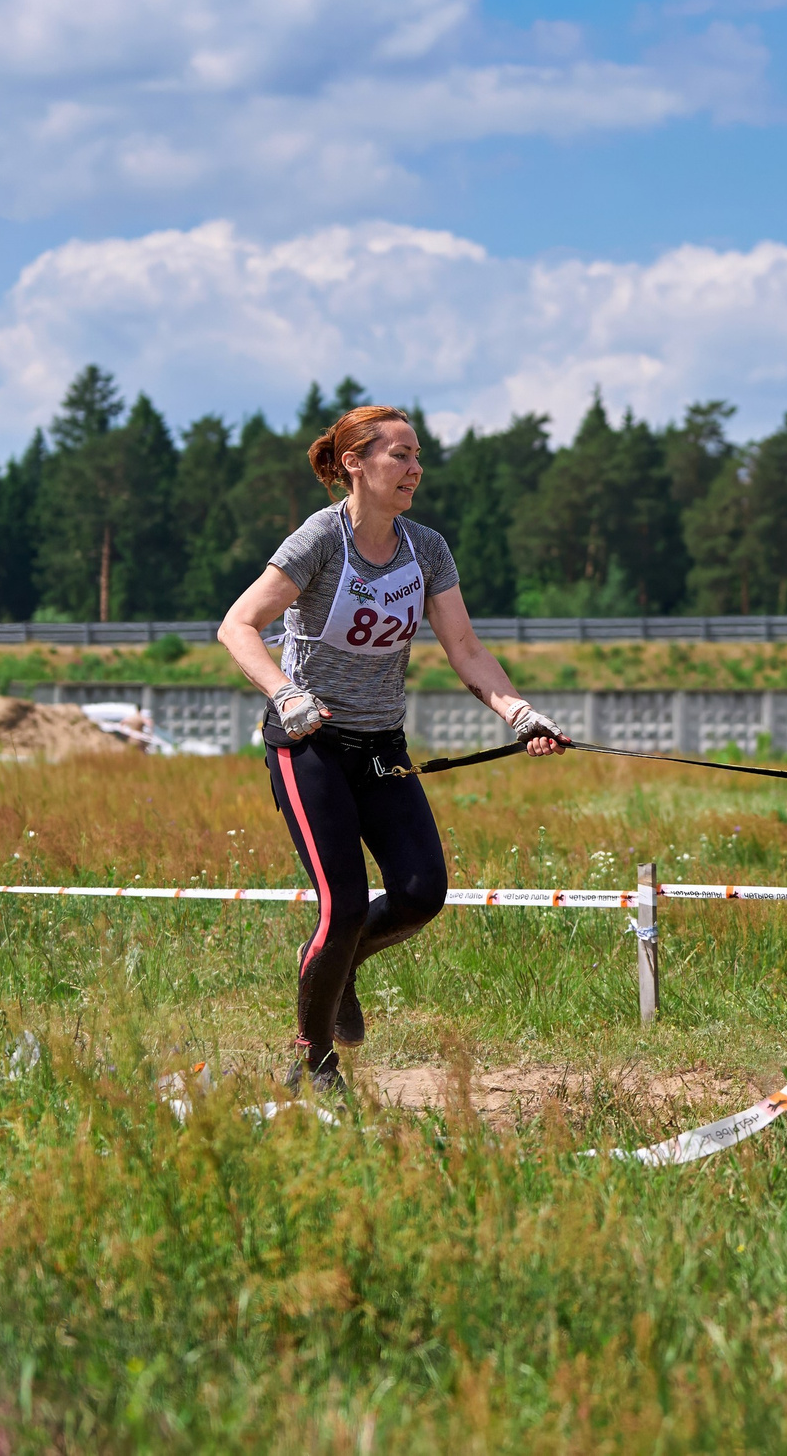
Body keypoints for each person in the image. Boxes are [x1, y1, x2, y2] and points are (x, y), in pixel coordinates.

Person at [218, 405, 567, 1092]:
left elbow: (464, 646)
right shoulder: (321, 539)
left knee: (420, 892)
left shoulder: (426, 549)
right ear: (355, 463)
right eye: (400, 455)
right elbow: (237, 625)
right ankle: (312, 1061)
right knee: (342, 905)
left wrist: (518, 711)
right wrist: (285, 691)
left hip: (382, 746)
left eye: (417, 457)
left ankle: (335, 963)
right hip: (308, 744)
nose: (416, 469)